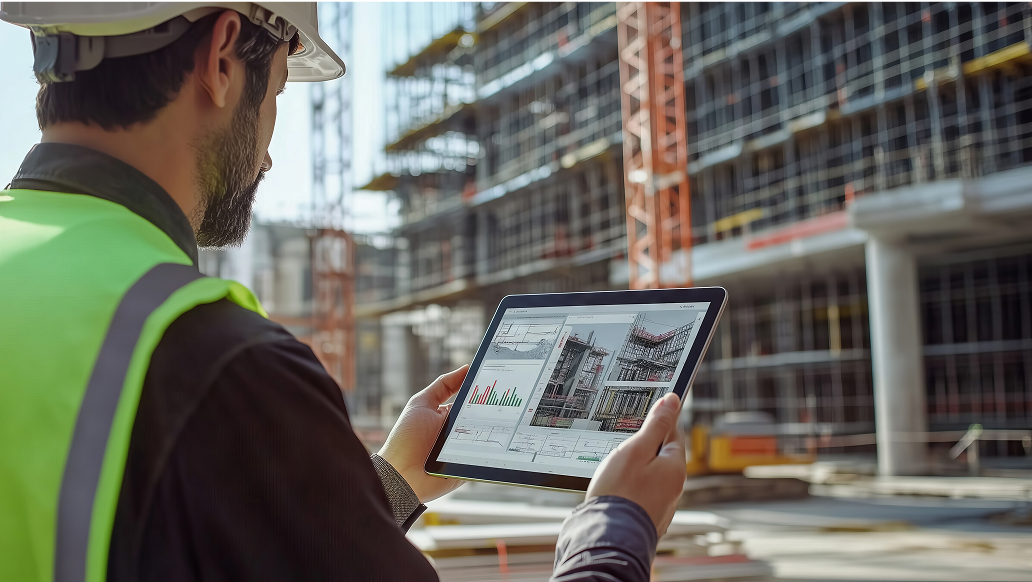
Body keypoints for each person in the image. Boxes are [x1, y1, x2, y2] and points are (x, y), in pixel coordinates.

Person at [0, 3, 688, 581]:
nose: (269, 153)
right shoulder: (214, 363)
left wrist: (388, 484)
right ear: (219, 59)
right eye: (274, 96)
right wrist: (615, 529)